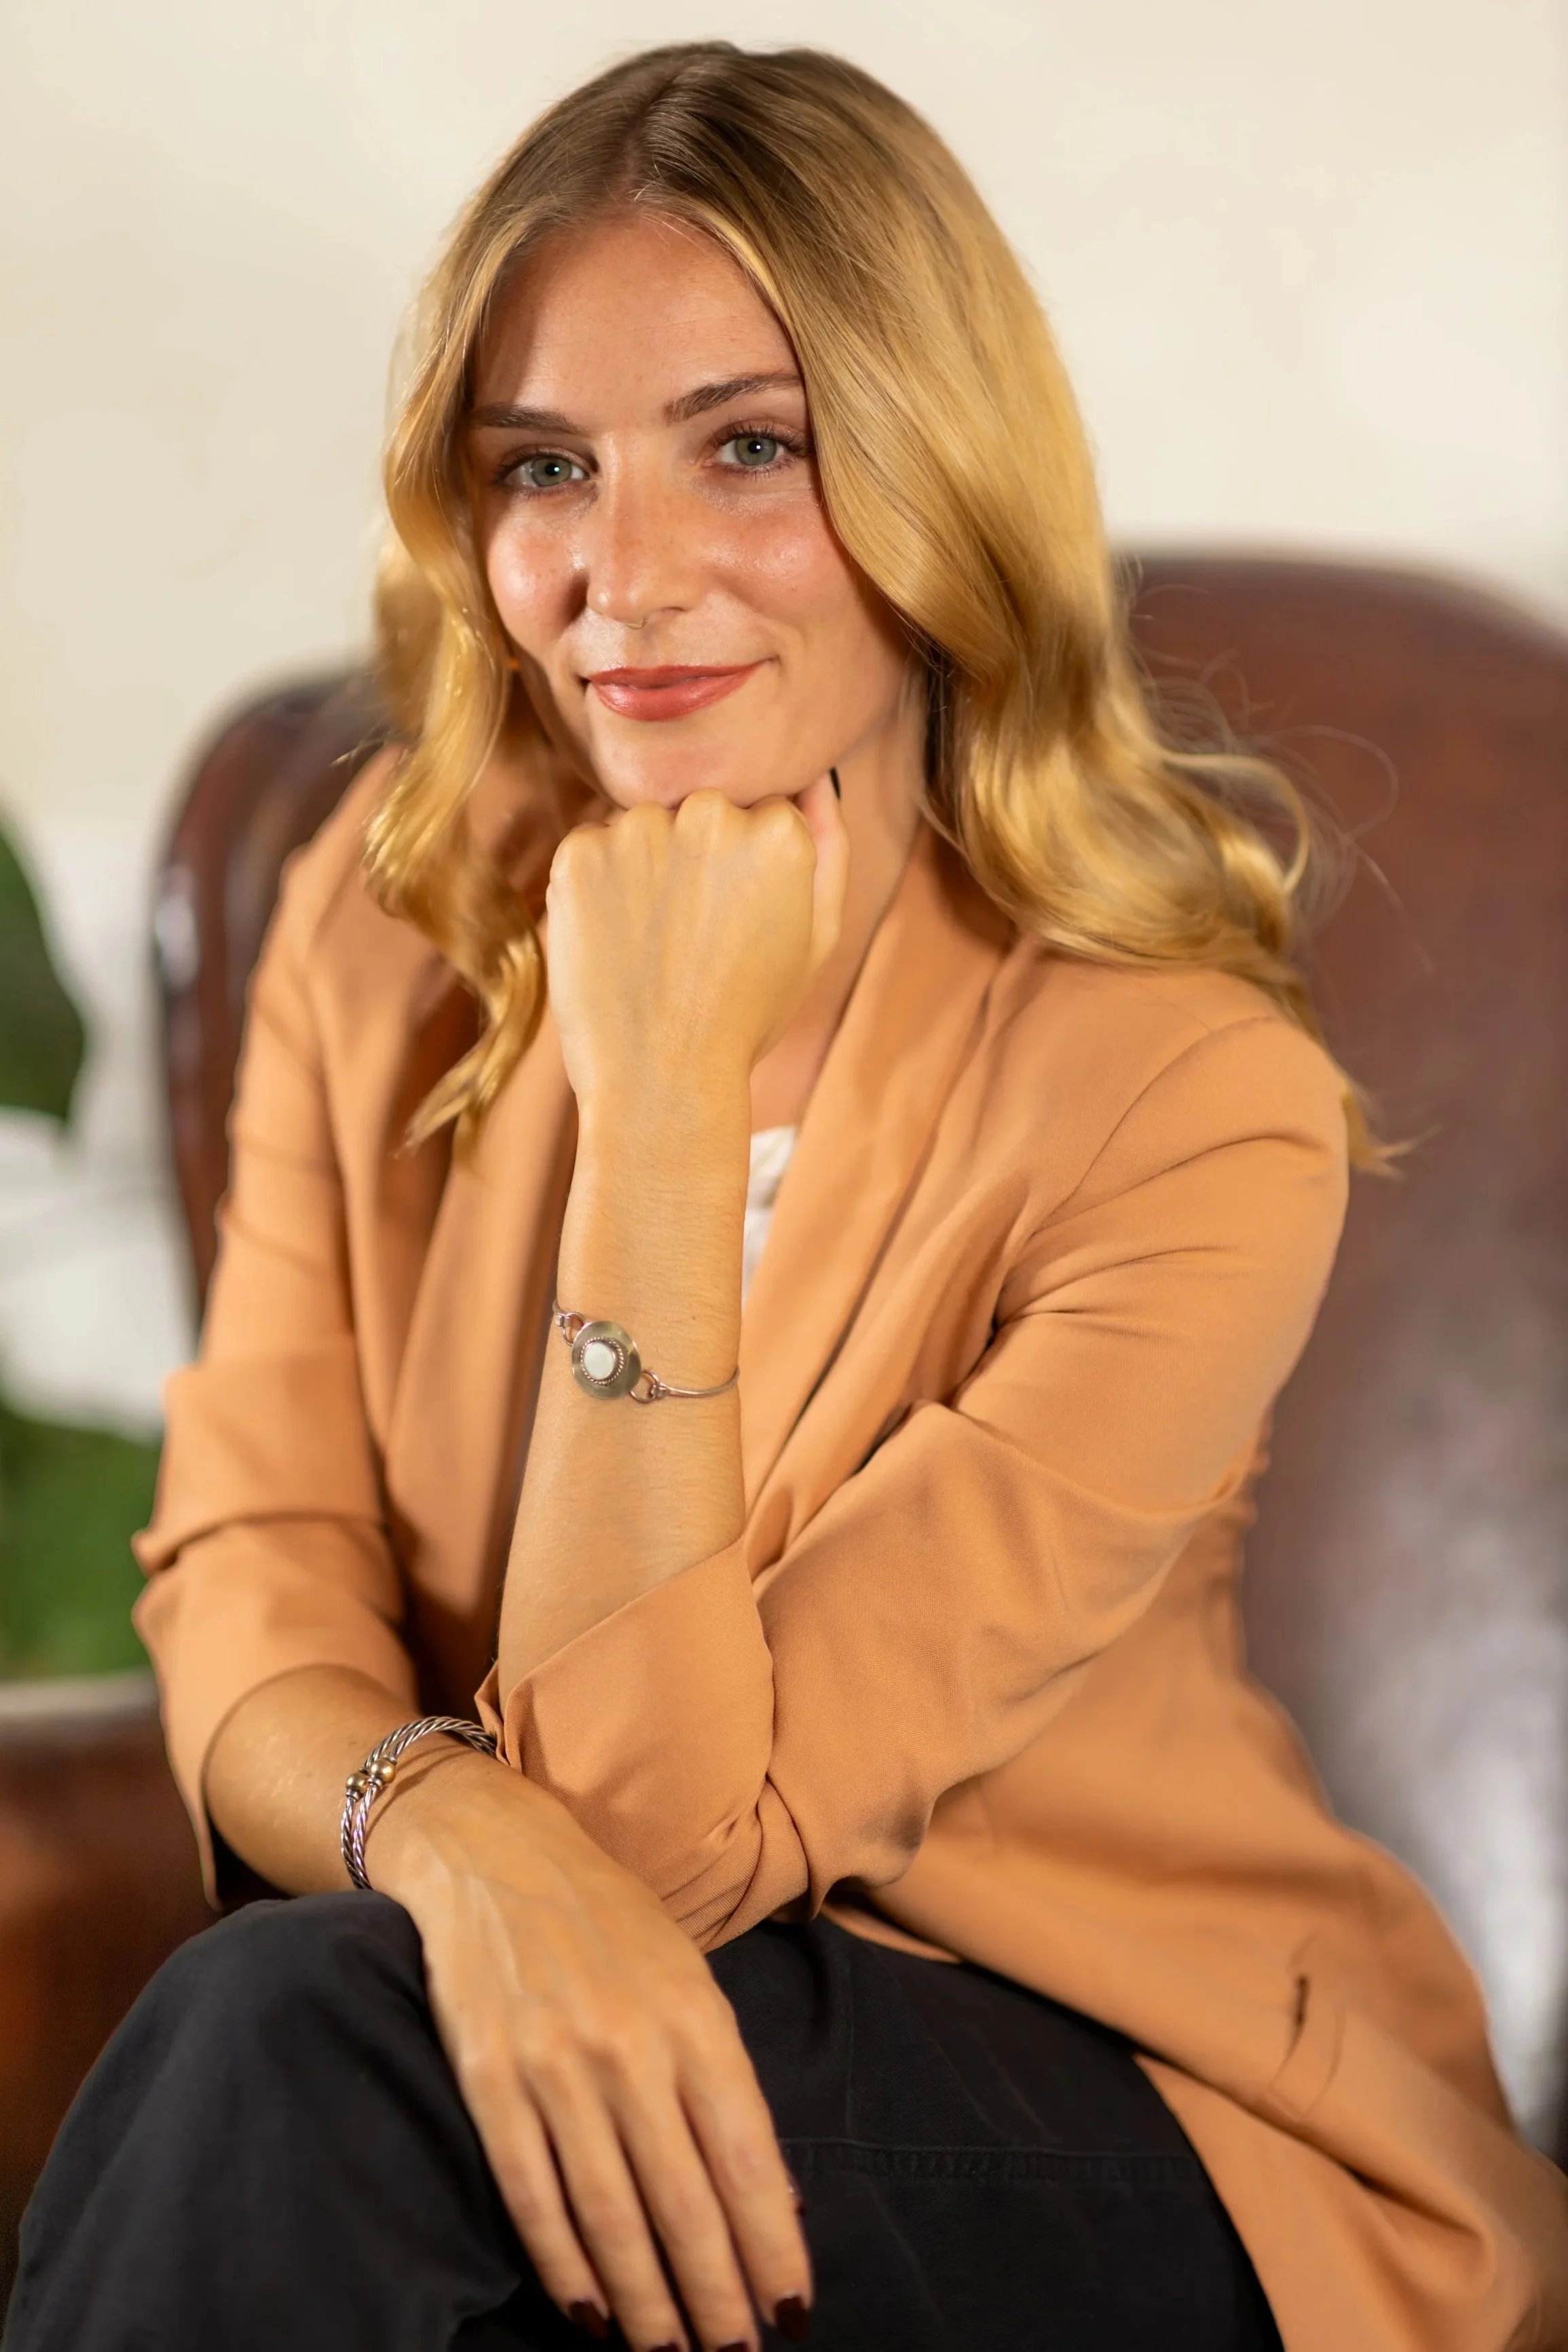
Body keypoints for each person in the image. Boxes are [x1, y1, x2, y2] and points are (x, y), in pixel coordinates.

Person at [7, 40, 1566, 2352]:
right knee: (344, 2069)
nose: (625, 582)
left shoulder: (1187, 1105)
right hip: (508, 2031)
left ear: (935, 473)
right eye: (546, 467)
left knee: (313, 2051)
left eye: (747, 447)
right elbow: (251, 1579)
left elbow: (655, 1840)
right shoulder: (384, 923)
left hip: (1133, 2110)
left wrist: (659, 1106)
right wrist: (451, 1836)